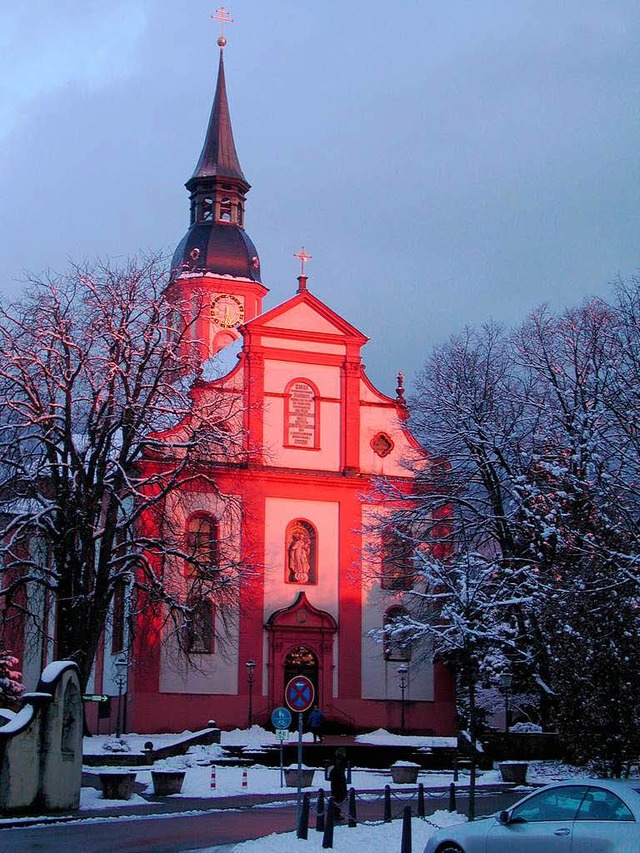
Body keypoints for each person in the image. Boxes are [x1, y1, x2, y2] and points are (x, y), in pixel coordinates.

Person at [328, 747, 348, 821]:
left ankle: (335, 813)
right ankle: (336, 814)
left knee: (335, 796)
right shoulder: (341, 760)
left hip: (334, 781)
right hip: (339, 781)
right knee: (339, 797)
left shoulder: (334, 759)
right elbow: (340, 771)